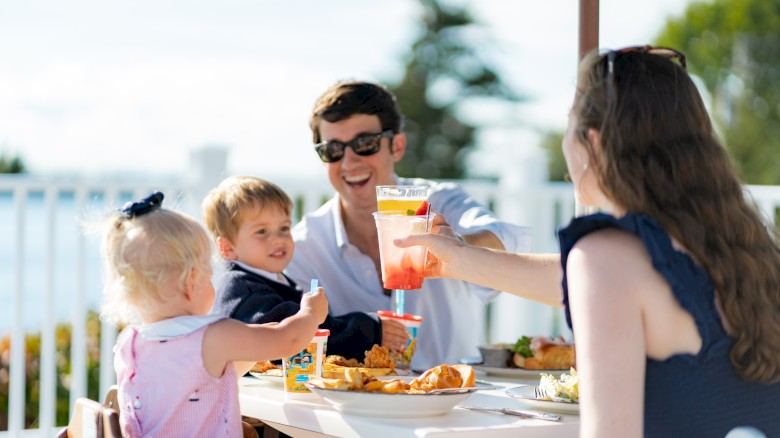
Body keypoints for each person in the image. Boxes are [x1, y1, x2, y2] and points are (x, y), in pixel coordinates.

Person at [396, 46, 780, 437]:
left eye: (569, 122)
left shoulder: (604, 257)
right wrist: (458, 258)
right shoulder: (741, 245)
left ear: (593, 144)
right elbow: (580, 283)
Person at [285, 80, 532, 370]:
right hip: (356, 405)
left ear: (397, 146)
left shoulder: (439, 201)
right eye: (333, 150)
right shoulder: (304, 245)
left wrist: (458, 249)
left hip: (454, 403)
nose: (349, 162)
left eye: (366, 144)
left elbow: (506, 238)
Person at [100, 192, 328, 437]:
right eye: (209, 275)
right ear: (192, 281)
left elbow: (197, 375)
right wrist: (310, 313)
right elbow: (290, 341)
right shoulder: (213, 335)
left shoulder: (130, 343)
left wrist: (253, 346)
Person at [202, 175, 408, 361]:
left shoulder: (272, 280)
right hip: (251, 398)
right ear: (227, 247)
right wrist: (369, 329)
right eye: (262, 231)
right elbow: (298, 338)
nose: (277, 239)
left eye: (284, 228)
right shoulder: (243, 291)